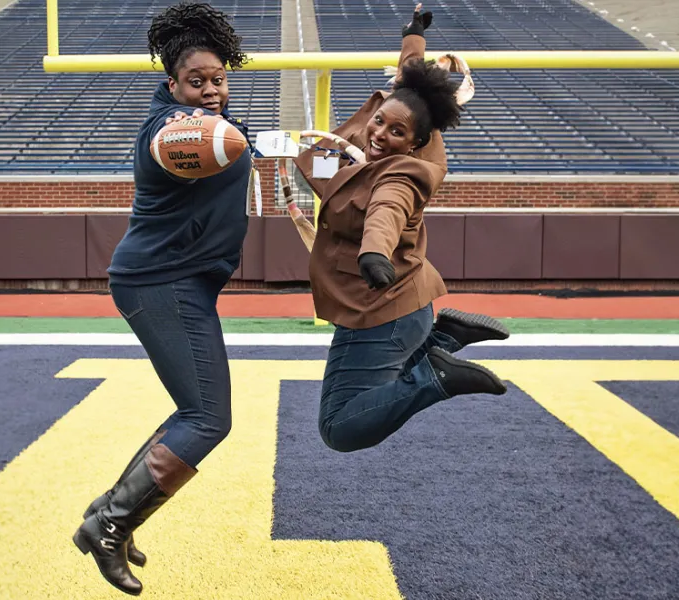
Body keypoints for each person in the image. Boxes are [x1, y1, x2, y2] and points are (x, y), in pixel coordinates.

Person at [71, 3, 253, 595]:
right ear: (172, 83)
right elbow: (179, 142)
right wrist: (206, 125)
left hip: (183, 279)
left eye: (217, 79)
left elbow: (230, 138)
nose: (209, 90)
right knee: (207, 418)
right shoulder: (170, 128)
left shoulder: (220, 120)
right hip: (160, 280)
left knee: (194, 413)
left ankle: (109, 520)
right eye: (195, 81)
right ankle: (109, 523)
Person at [293, 4, 510, 454]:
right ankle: (445, 337)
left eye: (395, 130)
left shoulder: (399, 175)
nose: (378, 132)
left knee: (339, 427)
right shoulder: (420, 134)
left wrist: (374, 252)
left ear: (414, 141)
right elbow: (411, 77)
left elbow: (385, 212)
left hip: (379, 306)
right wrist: (413, 36)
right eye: (379, 120)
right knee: (315, 157)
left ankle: (437, 376)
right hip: (399, 304)